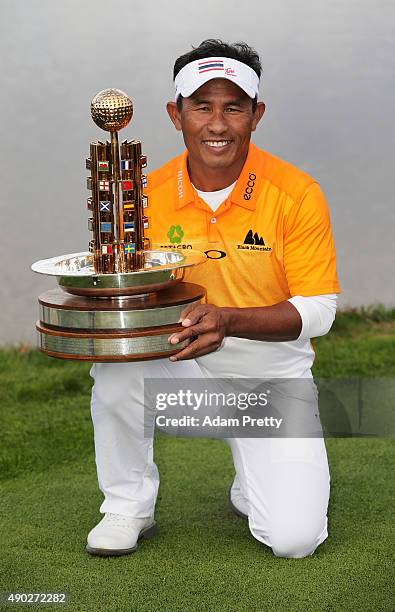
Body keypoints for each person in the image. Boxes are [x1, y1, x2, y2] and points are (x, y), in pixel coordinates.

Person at [87, 39, 341, 559]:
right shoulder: (143, 194)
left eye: (234, 107)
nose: (218, 124)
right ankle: (128, 506)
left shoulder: (296, 192)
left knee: (294, 541)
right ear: (175, 115)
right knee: (115, 365)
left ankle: (253, 482)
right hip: (181, 373)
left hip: (269, 380)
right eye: (201, 106)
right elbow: (128, 288)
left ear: (257, 115)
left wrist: (227, 319)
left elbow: (320, 310)